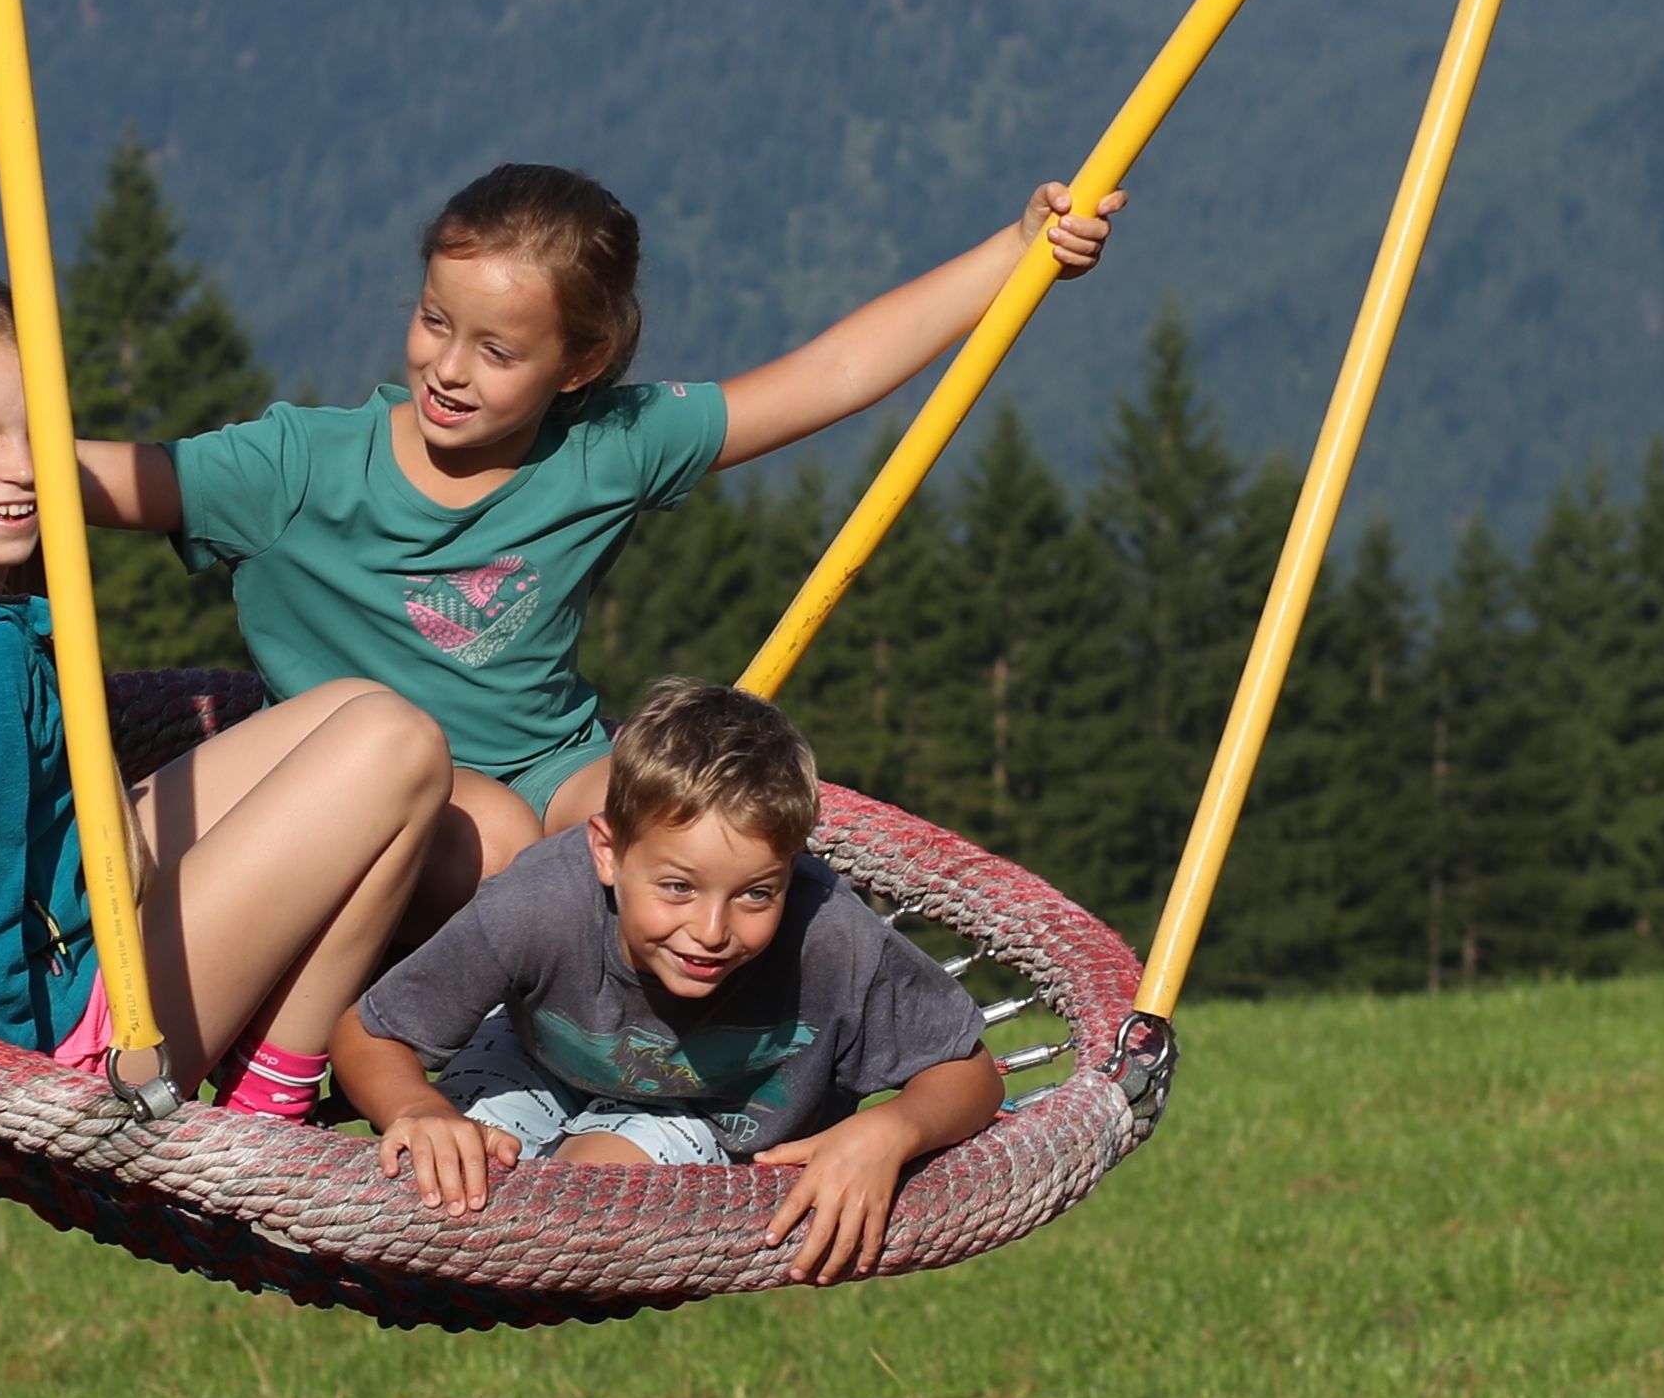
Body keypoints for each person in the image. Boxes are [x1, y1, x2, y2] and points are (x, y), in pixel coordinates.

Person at [68, 162, 1116, 903]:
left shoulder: (605, 447)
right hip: (373, 798)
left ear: (578, 365)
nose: (449, 367)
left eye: (498, 350)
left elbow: (826, 377)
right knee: (501, 846)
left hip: (550, 767)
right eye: (436, 322)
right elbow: (104, 482)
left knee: (688, 836)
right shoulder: (298, 468)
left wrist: (1013, 255)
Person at [0, 267, 448, 1124]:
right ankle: (268, 1104)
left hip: (65, 919)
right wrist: (19, 1123)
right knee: (396, 746)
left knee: (349, 710)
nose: (25, 470)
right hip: (71, 1044)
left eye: (42, 433)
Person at [331, 680, 998, 1283]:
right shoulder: (538, 902)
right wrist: (418, 1113)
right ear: (606, 851)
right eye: (677, 887)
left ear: (791, 870)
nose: (711, 930)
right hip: (532, 1062)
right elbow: (366, 1033)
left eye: (757, 894)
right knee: (455, 1184)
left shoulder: (832, 936)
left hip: (695, 1110)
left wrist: (891, 1132)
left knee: (583, 1205)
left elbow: (970, 1074)